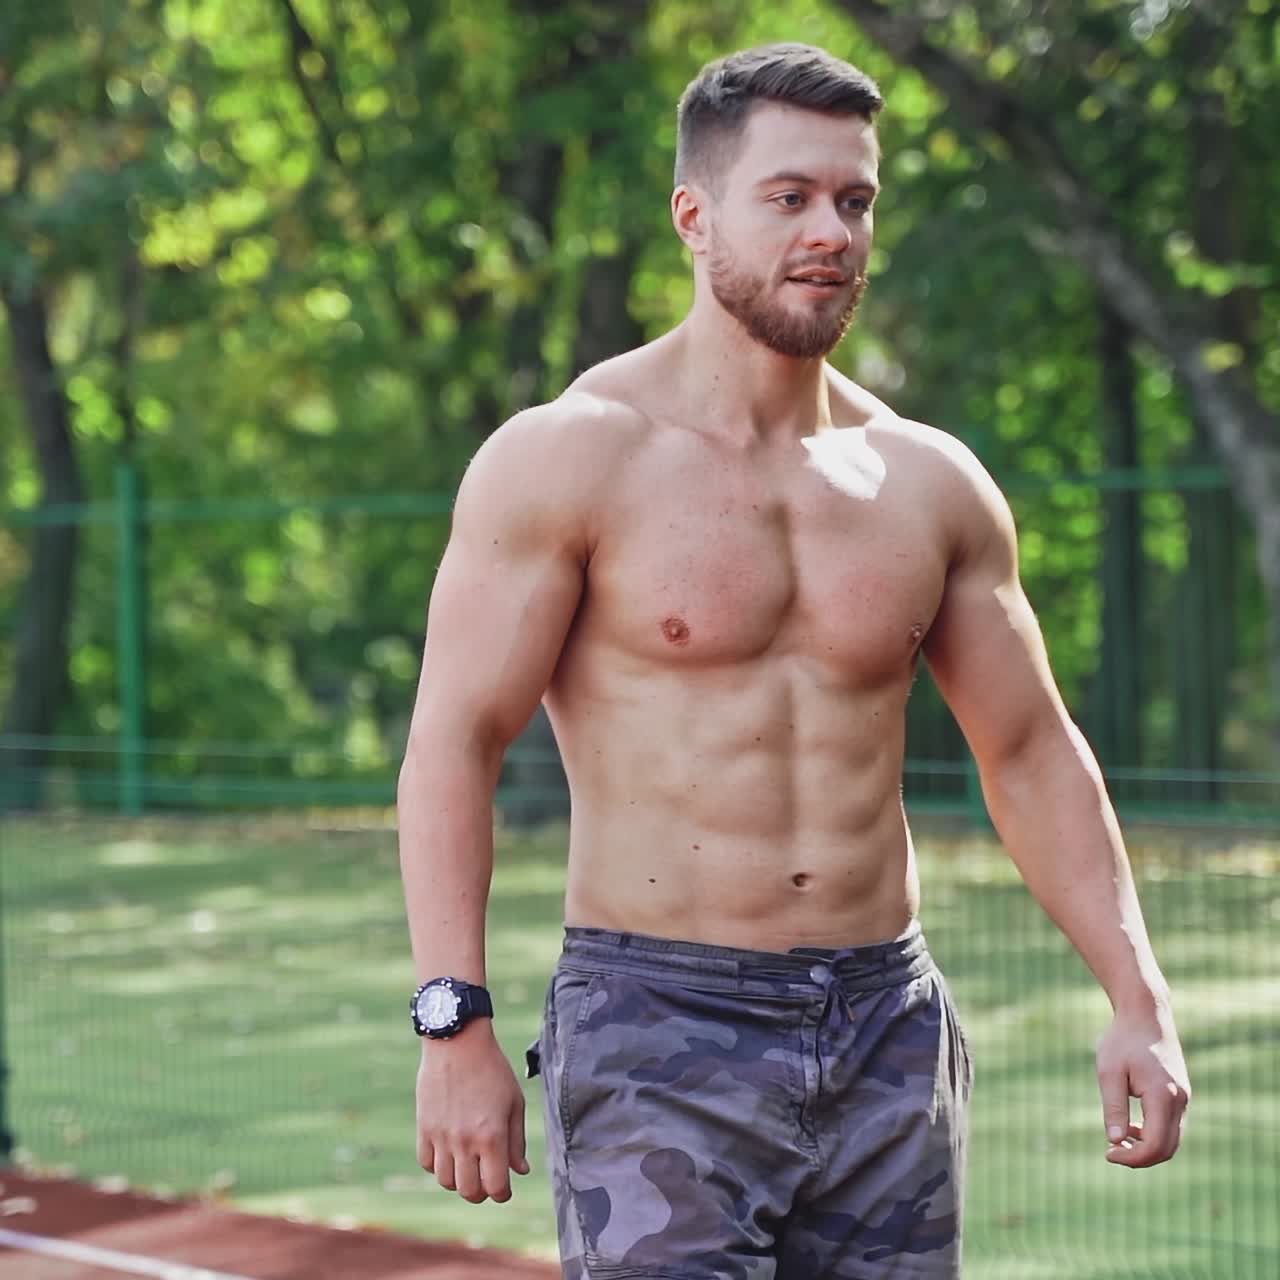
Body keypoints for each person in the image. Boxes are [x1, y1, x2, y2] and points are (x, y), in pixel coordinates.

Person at [396, 42, 1190, 1280]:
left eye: (854, 199)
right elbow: (454, 736)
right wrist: (452, 1018)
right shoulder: (568, 457)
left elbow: (1029, 747)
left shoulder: (926, 482)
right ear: (692, 214)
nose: (831, 231)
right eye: (789, 197)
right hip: (659, 1022)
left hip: (887, 1026)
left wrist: (1135, 997)